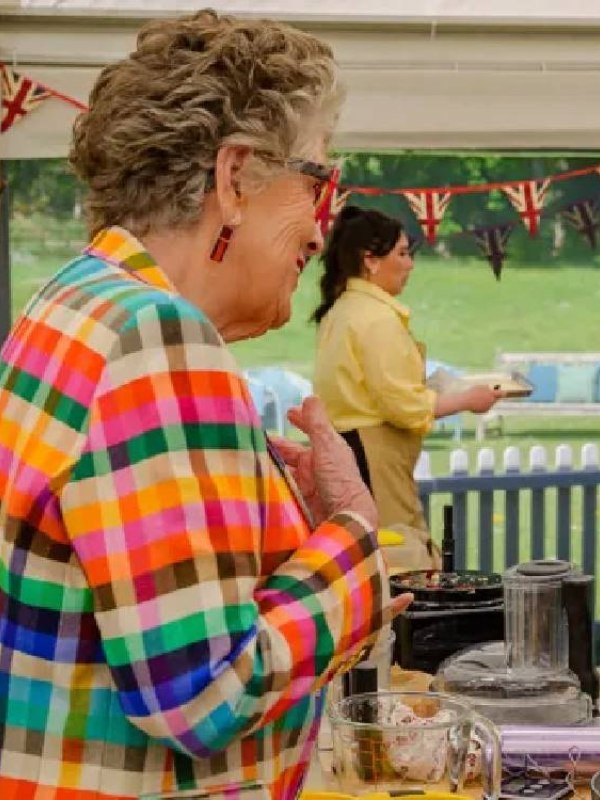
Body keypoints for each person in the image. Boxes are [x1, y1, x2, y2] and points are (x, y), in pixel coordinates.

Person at [0, 13, 412, 800]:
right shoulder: (156, 336)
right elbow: (204, 692)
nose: (322, 232)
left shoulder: (73, 302)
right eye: (318, 181)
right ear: (234, 177)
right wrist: (352, 541)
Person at [313, 206, 502, 568]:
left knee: (365, 545)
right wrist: (467, 400)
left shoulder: (342, 311)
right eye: (401, 253)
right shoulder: (376, 319)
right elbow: (402, 405)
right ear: (370, 261)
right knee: (397, 552)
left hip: (351, 446)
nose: (411, 264)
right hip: (373, 452)